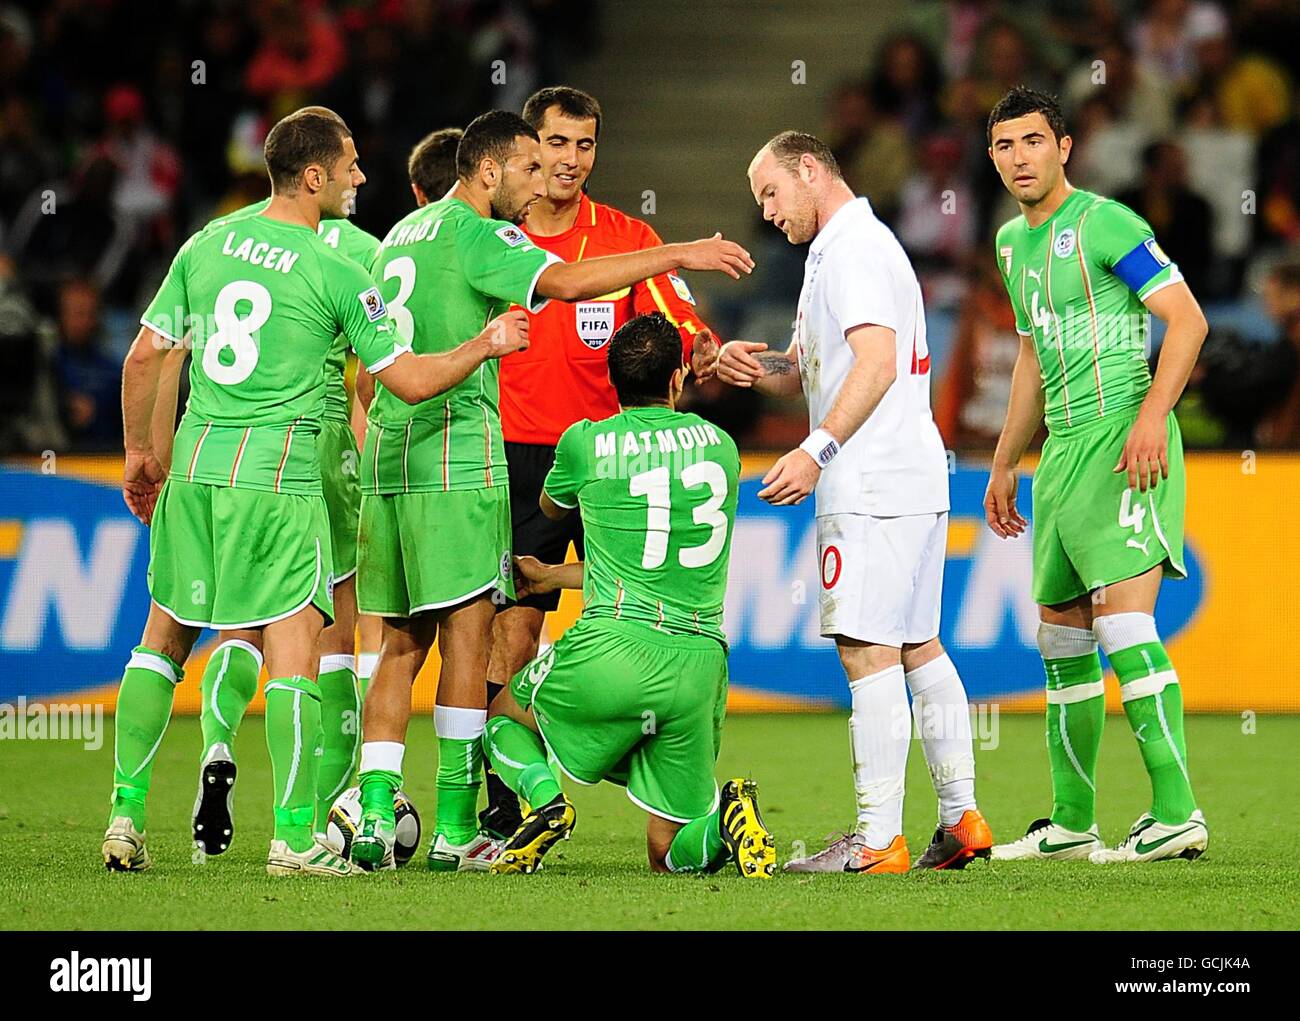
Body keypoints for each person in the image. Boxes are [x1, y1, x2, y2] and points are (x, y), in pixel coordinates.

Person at [104, 106, 528, 877]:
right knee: (297, 655)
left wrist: (141, 454)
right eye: (352, 165)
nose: (362, 177)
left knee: (163, 638)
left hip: (196, 467)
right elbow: (403, 380)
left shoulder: (205, 243)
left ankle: (125, 815)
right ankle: (294, 837)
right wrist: (484, 343)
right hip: (284, 477)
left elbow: (144, 358)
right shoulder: (340, 266)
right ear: (314, 175)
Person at [350, 110, 752, 871]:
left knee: (398, 646)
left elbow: (371, 372)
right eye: (530, 167)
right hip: (458, 458)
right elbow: (564, 281)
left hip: (388, 464)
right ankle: (456, 826)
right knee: (470, 641)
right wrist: (682, 250)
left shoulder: (400, 235)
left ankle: (374, 816)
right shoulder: (483, 235)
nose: (542, 184)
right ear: (492, 169)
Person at [709, 131, 992, 873]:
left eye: (770, 192)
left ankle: (875, 839)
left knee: (866, 651)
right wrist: (751, 365)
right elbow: (818, 368)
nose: (766, 212)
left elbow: (875, 361)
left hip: (868, 480)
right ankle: (962, 817)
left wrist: (816, 448)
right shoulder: (845, 249)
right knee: (918, 644)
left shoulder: (854, 250)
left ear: (811, 170)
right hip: (911, 471)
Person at [484, 86, 720, 841]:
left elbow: (681, 323)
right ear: (530, 145)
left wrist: (707, 347)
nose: (570, 161)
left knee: (633, 612)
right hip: (520, 455)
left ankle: (657, 781)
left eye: (585, 146)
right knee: (514, 627)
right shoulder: (494, 238)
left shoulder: (624, 236)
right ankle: (504, 805)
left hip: (610, 458)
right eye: (556, 143)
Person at [983, 87, 1210, 863]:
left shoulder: (1108, 222)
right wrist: (1006, 458)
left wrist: (1151, 416)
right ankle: (1071, 820)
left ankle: (1177, 810)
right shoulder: (1011, 245)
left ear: (1065, 147)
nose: (1021, 157)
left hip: (1124, 439)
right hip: (1062, 456)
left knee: (1123, 623)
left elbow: (1188, 319)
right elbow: (1029, 358)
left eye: (1034, 141)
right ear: (993, 157)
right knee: (1062, 637)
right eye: (1006, 145)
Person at [483, 313, 774, 878]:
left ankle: (545, 803)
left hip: (614, 646)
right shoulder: (721, 448)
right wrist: (552, 577)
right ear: (677, 379)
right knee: (669, 855)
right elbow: (652, 560)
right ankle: (728, 820)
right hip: (698, 663)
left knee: (503, 718)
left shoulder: (586, 442)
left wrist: (540, 571)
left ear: (611, 380)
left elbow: (551, 510)